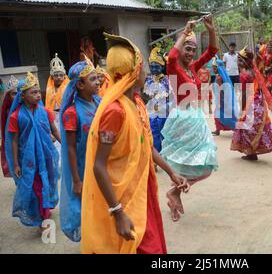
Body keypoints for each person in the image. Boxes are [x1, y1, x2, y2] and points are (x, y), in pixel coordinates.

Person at [81, 33, 189, 254]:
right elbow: (98, 166)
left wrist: (171, 172)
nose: (148, 72)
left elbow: (146, 145)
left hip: (142, 191)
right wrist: (118, 212)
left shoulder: (137, 103)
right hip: (122, 200)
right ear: (136, 71)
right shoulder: (114, 112)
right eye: (144, 67)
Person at [160, 16, 219, 222]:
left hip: (196, 118)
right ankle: (174, 195)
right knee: (187, 162)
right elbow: (171, 57)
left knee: (205, 165)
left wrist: (210, 29)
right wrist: (184, 32)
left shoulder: (192, 67)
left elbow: (212, 52)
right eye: (187, 49)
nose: (191, 53)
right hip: (183, 119)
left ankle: (174, 194)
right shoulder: (173, 68)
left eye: (193, 50)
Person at [5, 72, 60, 228]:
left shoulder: (46, 112)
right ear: (23, 96)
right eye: (33, 92)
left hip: (46, 155)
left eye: (38, 91)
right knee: (36, 187)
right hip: (28, 159)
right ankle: (43, 219)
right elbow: (14, 141)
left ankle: (45, 208)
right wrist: (15, 164)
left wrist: (65, 144)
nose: (38, 95)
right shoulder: (16, 116)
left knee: (48, 181)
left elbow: (54, 131)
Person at [59, 60, 101, 242]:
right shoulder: (71, 112)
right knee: (88, 206)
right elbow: (69, 147)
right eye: (93, 79)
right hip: (84, 167)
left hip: (102, 164)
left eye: (98, 78)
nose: (98, 82)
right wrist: (76, 180)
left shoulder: (100, 102)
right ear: (80, 84)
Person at [231, 47, 272, 164]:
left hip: (251, 104)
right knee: (262, 129)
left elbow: (245, 93)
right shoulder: (253, 71)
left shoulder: (244, 74)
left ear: (244, 61)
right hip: (259, 103)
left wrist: (243, 108)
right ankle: (253, 153)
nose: (237, 62)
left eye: (239, 60)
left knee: (246, 128)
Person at [143, 47, 174, 153]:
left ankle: (167, 153)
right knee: (153, 132)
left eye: (156, 66)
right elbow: (147, 94)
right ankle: (156, 153)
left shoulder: (166, 79)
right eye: (151, 66)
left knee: (165, 132)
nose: (153, 68)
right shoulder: (148, 79)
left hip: (164, 109)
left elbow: (169, 95)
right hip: (152, 110)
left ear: (162, 67)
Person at [45, 53, 70, 163]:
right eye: (56, 75)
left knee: (67, 138)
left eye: (61, 74)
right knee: (56, 142)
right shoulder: (49, 89)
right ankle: (59, 163)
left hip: (66, 116)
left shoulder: (68, 87)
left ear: (64, 75)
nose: (59, 77)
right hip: (53, 118)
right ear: (52, 76)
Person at [211, 57, 238, 136]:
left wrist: (220, 102)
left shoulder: (219, 78)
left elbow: (220, 91)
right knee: (226, 115)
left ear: (219, 68)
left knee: (221, 115)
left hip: (221, 100)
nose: (213, 70)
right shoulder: (223, 76)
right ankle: (218, 130)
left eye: (215, 68)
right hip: (224, 99)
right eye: (213, 68)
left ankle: (236, 128)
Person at [1, 76, 18, 177]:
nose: (17, 96)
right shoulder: (8, 112)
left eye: (18, 93)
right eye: (13, 94)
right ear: (8, 96)